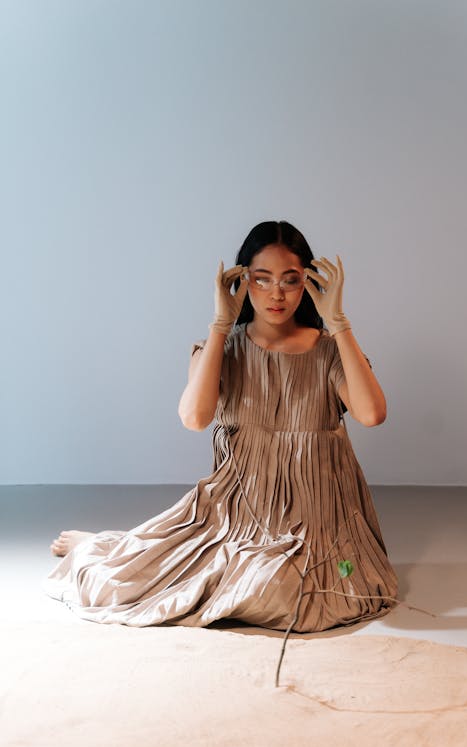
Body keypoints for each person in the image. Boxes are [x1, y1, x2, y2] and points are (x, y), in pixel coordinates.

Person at [45, 220, 398, 632]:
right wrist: (220, 325)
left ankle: (242, 566)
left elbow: (372, 414)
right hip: (237, 510)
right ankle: (103, 547)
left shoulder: (329, 351)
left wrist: (338, 322)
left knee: (293, 589)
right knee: (133, 578)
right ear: (243, 281)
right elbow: (195, 418)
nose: (277, 293)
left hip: (320, 522)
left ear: (308, 283)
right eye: (261, 279)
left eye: (291, 280)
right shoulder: (226, 349)